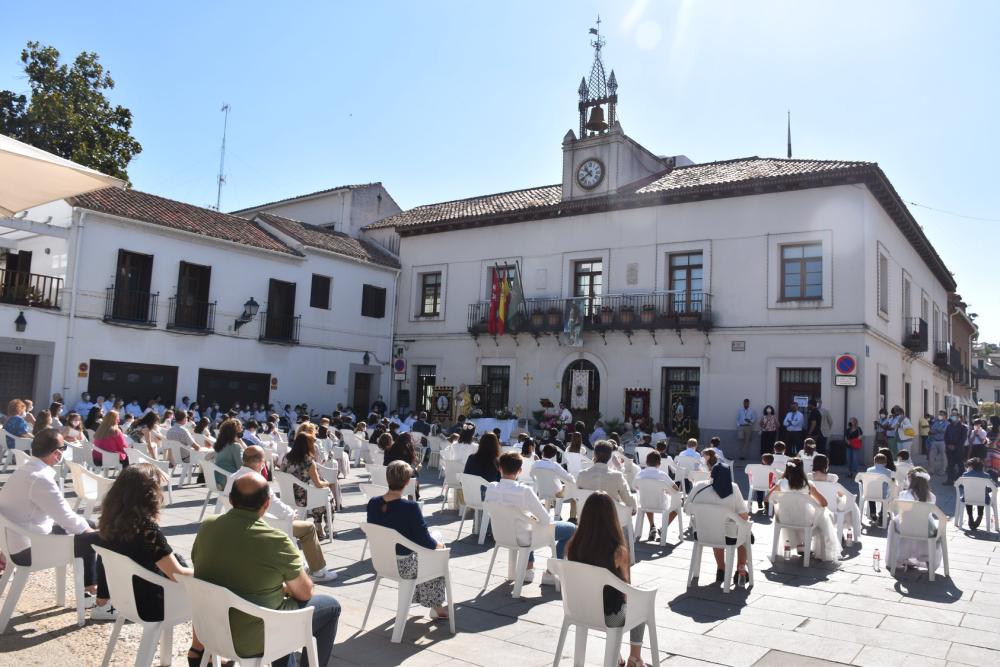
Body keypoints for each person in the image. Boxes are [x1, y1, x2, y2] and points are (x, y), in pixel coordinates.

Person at [193, 472, 340, 667]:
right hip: (254, 637)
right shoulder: (276, 541)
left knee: (274, 605)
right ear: (266, 504)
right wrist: (285, 589)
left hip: (212, 629)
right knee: (330, 606)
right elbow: (305, 593)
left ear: (230, 499)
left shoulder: (208, 526)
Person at [95, 463, 210, 665]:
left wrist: (102, 594)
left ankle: (200, 650)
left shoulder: (109, 521)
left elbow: (102, 561)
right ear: (149, 494)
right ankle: (200, 651)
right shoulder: (146, 529)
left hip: (125, 599)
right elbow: (178, 574)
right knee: (206, 591)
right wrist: (211, 577)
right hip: (150, 603)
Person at [0, 429, 116, 619]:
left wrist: (86, 529)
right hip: (28, 549)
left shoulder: (26, 470)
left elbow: (64, 517)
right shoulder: (41, 478)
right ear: (57, 452)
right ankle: (102, 603)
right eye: (62, 448)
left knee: (88, 526)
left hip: (17, 540)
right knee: (101, 538)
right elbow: (67, 519)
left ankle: (90, 588)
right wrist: (89, 533)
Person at [224, 446, 337, 582]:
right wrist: (291, 514)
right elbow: (275, 505)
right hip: (262, 525)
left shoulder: (232, 477)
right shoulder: (257, 481)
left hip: (238, 524)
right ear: (261, 462)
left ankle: (307, 566)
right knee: (308, 528)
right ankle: (318, 572)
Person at [566, 492, 650, 667]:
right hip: (610, 617)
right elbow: (627, 587)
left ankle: (616, 655)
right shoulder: (618, 550)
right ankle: (635, 658)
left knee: (612, 599)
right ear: (612, 516)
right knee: (640, 601)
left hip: (579, 610)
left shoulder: (573, 545)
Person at [367, 461, 450, 620]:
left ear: (387, 478)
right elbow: (424, 541)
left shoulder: (373, 503)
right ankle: (436, 606)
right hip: (405, 566)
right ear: (407, 482)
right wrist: (440, 546)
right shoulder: (410, 507)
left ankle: (427, 602)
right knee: (438, 554)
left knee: (432, 543)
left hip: (382, 561)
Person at [486, 452, 576, 585]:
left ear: (499, 468)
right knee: (572, 529)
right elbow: (546, 521)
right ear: (520, 470)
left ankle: (528, 568)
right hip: (524, 537)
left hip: (501, 535)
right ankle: (551, 572)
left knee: (527, 524)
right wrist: (532, 518)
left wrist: (529, 517)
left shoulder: (491, 487)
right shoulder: (524, 491)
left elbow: (493, 511)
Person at [686, 462, 751, 586]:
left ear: (711, 474)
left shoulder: (699, 486)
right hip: (728, 536)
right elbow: (744, 515)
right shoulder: (733, 487)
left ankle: (721, 568)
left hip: (703, 534)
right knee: (744, 532)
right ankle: (741, 568)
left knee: (717, 530)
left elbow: (687, 509)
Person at [767, 460, 838, 561]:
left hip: (784, 519)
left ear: (787, 469)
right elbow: (824, 503)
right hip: (804, 521)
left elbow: (767, 498)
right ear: (801, 469)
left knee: (795, 513)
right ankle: (817, 549)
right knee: (824, 513)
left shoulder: (781, 483)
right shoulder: (808, 484)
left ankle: (801, 545)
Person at [281, 431, 336, 537]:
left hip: (287, 494)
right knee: (327, 495)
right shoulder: (308, 461)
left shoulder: (286, 457)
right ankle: (323, 525)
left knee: (318, 493)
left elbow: (282, 473)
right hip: (302, 497)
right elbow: (318, 484)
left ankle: (319, 526)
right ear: (308, 445)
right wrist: (327, 483)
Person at [888, 467, 942, 570]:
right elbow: (929, 513)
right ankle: (925, 555)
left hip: (905, 527)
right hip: (925, 528)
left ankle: (901, 556)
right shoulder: (932, 496)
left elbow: (900, 511)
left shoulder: (904, 494)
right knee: (926, 525)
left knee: (894, 523)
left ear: (910, 480)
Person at [576, 441, 637, 512]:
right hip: (610, 517)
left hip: (587, 517)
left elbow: (577, 496)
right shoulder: (617, 476)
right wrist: (633, 509)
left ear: (594, 455)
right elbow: (628, 499)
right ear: (610, 456)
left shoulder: (582, 474)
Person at [635, 451, 680, 540]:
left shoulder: (640, 473)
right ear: (659, 464)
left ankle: (652, 526)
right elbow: (676, 488)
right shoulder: (662, 474)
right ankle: (663, 528)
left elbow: (635, 486)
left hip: (644, 503)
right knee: (677, 507)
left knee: (648, 498)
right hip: (661, 504)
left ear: (646, 462)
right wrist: (666, 489)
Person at [384, 431, 421, 499]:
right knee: (415, 474)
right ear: (408, 441)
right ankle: (413, 496)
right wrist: (417, 468)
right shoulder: (407, 450)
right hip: (402, 476)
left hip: (389, 476)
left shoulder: (389, 449)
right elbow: (412, 463)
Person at [959, 458, 992, 530]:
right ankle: (980, 516)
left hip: (967, 498)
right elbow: (992, 487)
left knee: (968, 496)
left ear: (971, 467)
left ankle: (970, 516)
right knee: (981, 496)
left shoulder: (965, 474)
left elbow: (961, 485)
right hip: (983, 499)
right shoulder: (986, 475)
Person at [865, 453, 893, 523]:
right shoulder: (888, 471)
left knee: (871, 496)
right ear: (885, 462)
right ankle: (882, 513)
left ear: (874, 461)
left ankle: (873, 512)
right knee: (888, 495)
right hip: (883, 494)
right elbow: (889, 483)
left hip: (871, 494)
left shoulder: (869, 470)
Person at [944, 412, 969, 485]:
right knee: (950, 465)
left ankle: (961, 482)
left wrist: (955, 446)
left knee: (960, 465)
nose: (953, 417)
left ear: (959, 418)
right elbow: (945, 437)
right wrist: (948, 445)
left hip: (959, 449)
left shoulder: (963, 427)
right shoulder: (949, 426)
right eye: (952, 416)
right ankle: (950, 480)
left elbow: (963, 439)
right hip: (949, 449)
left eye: (954, 416)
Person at [927, 410, 948, 477]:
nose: (940, 416)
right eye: (939, 414)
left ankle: (943, 470)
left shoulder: (947, 423)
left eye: (941, 414)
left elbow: (944, 431)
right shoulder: (936, 423)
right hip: (934, 441)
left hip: (943, 441)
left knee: (943, 457)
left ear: (945, 416)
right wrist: (938, 430)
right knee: (931, 456)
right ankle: (931, 470)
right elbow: (931, 430)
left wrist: (937, 430)